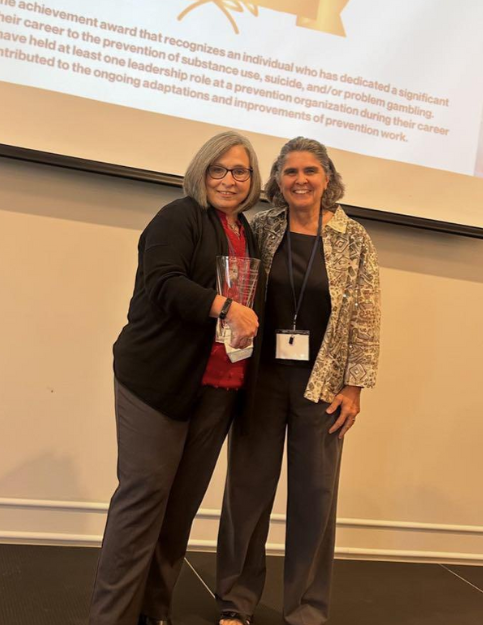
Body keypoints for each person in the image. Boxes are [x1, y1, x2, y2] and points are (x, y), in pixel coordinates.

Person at [90, 131, 266, 625]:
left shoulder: (246, 231)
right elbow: (163, 283)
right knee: (143, 500)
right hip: (158, 382)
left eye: (241, 172)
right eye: (219, 170)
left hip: (217, 388)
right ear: (201, 171)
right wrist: (225, 306)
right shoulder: (178, 216)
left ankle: (154, 614)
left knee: (179, 511)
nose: (229, 180)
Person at [215, 137, 381, 625]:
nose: (300, 180)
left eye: (311, 171)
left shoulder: (355, 239)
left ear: (328, 178)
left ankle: (306, 610)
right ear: (277, 181)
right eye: (290, 172)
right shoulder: (260, 227)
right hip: (260, 379)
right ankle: (235, 601)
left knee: (315, 500)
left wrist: (355, 386)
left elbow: (366, 318)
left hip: (323, 387)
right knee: (246, 495)